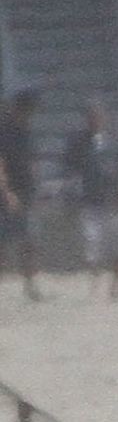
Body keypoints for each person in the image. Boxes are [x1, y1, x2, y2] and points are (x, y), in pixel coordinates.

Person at [63, 98, 118, 299]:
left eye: (98, 116)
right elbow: (70, 168)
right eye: (91, 117)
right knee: (92, 242)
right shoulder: (79, 142)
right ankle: (95, 279)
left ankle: (117, 282)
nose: (95, 120)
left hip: (116, 199)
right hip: (92, 199)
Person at [0, 88, 41, 301]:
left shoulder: (27, 132)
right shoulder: (5, 132)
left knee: (29, 239)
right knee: (3, 240)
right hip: (9, 193)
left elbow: (31, 160)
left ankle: (30, 284)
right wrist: (7, 192)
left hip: (27, 192)